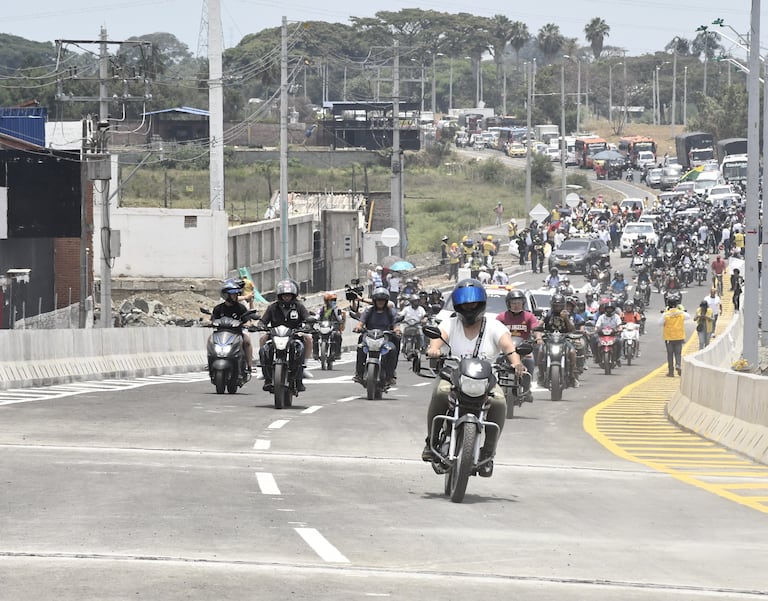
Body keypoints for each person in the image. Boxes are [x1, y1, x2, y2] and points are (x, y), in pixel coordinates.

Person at [423, 279, 525, 476]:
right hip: (454, 378)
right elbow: (438, 336)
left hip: (486, 382)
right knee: (440, 392)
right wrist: (434, 349)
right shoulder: (451, 323)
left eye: (473, 304)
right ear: (458, 306)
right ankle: (431, 441)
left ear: (481, 304)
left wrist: (516, 363)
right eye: (464, 304)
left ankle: (488, 452)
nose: (469, 308)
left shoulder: (495, 326)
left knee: (500, 402)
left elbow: (508, 347)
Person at [257, 279, 312, 392]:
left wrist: (307, 325)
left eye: (289, 295)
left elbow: (307, 318)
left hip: (294, 335)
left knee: (308, 339)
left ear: (293, 295)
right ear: (279, 295)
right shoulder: (272, 307)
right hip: (275, 335)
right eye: (284, 295)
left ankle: (302, 371)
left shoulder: (299, 307)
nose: (286, 297)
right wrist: (260, 325)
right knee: (263, 341)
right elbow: (263, 321)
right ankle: (265, 375)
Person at [353, 287, 400, 386]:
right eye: (378, 300)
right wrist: (358, 327)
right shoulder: (368, 311)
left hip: (386, 338)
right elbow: (361, 322)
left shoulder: (390, 312)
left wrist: (396, 330)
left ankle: (390, 374)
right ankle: (359, 373)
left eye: (383, 300)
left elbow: (395, 325)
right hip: (369, 337)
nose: (380, 302)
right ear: (374, 300)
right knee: (361, 346)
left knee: (393, 348)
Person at [211, 278, 254, 371]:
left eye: (235, 294)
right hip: (220, 334)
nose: (234, 296)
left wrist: (247, 324)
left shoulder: (241, 308)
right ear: (226, 295)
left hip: (237, 333)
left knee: (247, 341)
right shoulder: (218, 308)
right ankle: (210, 362)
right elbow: (213, 319)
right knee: (209, 340)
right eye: (232, 294)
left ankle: (249, 365)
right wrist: (209, 322)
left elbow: (247, 320)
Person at [535, 293, 578, 387]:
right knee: (540, 351)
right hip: (549, 340)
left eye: (559, 305)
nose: (558, 307)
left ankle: (572, 375)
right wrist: (539, 337)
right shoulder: (546, 313)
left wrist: (566, 318)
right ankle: (541, 374)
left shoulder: (567, 314)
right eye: (556, 305)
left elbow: (572, 329)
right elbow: (539, 326)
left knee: (572, 352)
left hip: (564, 340)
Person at [496, 289, 539, 378]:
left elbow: (536, 328)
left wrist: (538, 337)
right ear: (508, 304)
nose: (516, 306)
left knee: (530, 361)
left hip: (524, 348)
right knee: (496, 361)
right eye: (513, 303)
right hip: (505, 348)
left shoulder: (529, 316)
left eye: (519, 303)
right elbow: (493, 330)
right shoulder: (501, 317)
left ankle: (527, 384)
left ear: (523, 304)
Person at [659, 291, 690, 377]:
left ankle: (671, 371)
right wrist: (681, 311)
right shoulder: (681, 313)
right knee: (678, 353)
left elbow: (660, 323)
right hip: (679, 336)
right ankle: (678, 365)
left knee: (670, 354)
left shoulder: (666, 314)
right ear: (676, 304)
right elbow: (688, 316)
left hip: (669, 337)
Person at [312, 292, 346, 361]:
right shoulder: (322, 309)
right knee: (315, 334)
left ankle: (337, 353)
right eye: (331, 300)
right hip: (323, 326)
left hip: (333, 327)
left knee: (337, 335)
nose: (333, 302)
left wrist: (340, 319)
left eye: (334, 300)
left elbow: (340, 318)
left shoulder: (337, 310)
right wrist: (313, 319)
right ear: (326, 301)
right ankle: (315, 353)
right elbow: (317, 316)